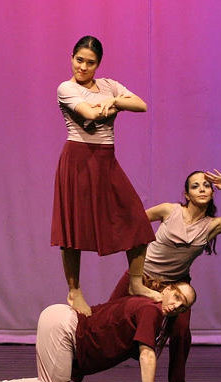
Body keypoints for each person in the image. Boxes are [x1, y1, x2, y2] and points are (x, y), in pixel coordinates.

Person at [107, 169, 221, 382]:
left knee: (180, 331)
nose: (202, 189)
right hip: (142, 277)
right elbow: (134, 221)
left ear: (212, 192)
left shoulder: (212, 225)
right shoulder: (169, 210)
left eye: (206, 185)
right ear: (186, 194)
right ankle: (76, 367)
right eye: (196, 186)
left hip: (175, 286)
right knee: (108, 321)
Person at [0, 282, 196, 382]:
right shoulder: (151, 310)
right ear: (166, 289)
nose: (175, 305)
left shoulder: (147, 308)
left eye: (183, 306)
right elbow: (147, 354)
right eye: (175, 296)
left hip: (62, 322)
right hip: (65, 327)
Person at [51, 35, 157, 317]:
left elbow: (142, 105)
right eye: (79, 60)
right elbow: (89, 113)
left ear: (98, 64)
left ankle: (136, 282)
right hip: (78, 158)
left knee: (136, 218)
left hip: (106, 159)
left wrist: (113, 101)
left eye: (90, 63)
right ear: (71, 57)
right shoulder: (66, 88)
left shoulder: (109, 85)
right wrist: (114, 104)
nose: (83, 67)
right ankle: (74, 291)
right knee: (73, 229)